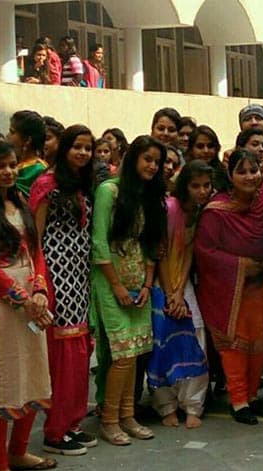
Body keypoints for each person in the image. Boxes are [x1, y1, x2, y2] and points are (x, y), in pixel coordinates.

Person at [0, 140, 55, 471]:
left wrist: (40, 290)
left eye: (12, 164)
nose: (9, 172)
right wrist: (21, 299)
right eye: (0, 165)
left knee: (33, 372)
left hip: (30, 297)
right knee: (3, 383)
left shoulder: (20, 203)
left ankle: (19, 452)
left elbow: (36, 251)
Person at [194, 150, 263, 425]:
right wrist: (243, 265)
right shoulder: (216, 210)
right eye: (241, 171)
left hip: (261, 286)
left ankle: (253, 394)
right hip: (228, 289)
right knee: (234, 346)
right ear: (230, 176)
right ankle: (239, 399)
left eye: (253, 170)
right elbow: (205, 251)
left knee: (258, 344)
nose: (249, 176)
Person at [90, 135, 166, 446]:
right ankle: (109, 421)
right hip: (110, 283)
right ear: (133, 158)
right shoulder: (109, 190)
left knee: (134, 354)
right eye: (147, 159)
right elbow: (99, 242)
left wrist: (147, 284)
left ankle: (127, 416)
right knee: (122, 355)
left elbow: (150, 244)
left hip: (138, 285)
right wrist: (118, 286)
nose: (152, 166)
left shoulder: (148, 195)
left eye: (157, 162)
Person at [28, 125, 96, 455]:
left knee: (79, 354)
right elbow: (34, 238)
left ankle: (71, 423)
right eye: (77, 147)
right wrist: (39, 283)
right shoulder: (47, 185)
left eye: (87, 148)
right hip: (55, 279)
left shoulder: (82, 186)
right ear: (65, 148)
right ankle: (54, 431)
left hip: (79, 280)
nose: (83, 153)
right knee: (62, 357)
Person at [148, 160, 211, 429]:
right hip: (162, 284)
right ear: (184, 185)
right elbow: (161, 253)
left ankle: (193, 404)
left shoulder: (198, 212)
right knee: (162, 342)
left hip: (183, 284)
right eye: (195, 185)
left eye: (206, 185)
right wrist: (171, 293)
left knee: (194, 336)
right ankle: (166, 405)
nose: (202, 191)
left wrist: (180, 292)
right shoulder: (170, 208)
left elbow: (188, 255)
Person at [7, 110, 47, 197]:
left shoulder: (39, 170)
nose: (8, 136)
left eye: (12, 132)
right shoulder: (10, 164)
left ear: (27, 140)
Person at [187, 125, 228, 193]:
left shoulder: (225, 174)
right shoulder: (184, 175)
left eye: (210, 146)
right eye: (200, 146)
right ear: (191, 150)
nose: (206, 151)